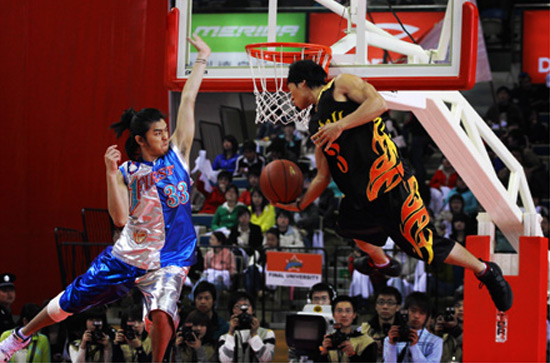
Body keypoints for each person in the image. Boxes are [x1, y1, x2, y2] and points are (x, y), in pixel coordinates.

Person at [0, 35, 212, 363]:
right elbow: (118, 219)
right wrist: (110, 173)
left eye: (164, 129)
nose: (164, 135)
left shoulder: (179, 154)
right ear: (141, 140)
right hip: (128, 256)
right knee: (70, 301)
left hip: (171, 258)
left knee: (163, 312)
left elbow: (188, 99)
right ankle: (19, 337)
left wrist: (202, 58)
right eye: (157, 132)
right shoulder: (127, 172)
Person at [277, 59, 512, 313]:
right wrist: (300, 204)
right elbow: (323, 175)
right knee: (349, 228)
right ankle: (382, 262)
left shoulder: (340, 85)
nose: (290, 98)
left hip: (390, 182)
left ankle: (485, 270)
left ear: (302, 82)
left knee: (426, 248)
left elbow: (378, 103)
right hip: (359, 195)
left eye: (290, 90)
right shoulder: (314, 123)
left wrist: (341, 125)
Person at [384, 292, 442, 362]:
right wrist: (391, 345)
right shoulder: (391, 338)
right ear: (405, 311)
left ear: (427, 316)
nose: (416, 316)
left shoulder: (435, 341)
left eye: (422, 313)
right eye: (413, 311)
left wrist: (414, 347)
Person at [218, 291, 275, 363]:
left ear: (253, 309)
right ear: (233, 311)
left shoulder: (267, 334)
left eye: (246, 305)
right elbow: (225, 361)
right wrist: (231, 333)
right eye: (238, 306)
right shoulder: (224, 337)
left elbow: (266, 359)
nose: (243, 310)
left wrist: (254, 334)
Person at [319, 296, 377, 362]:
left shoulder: (367, 342)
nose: (344, 315)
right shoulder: (326, 340)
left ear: (354, 315)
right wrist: (323, 354)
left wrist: (353, 354)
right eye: (339, 311)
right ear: (333, 315)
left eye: (348, 311)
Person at [365, 286, 403, 361]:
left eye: (390, 303)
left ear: (398, 307)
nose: (385, 307)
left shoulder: (403, 330)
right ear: (376, 306)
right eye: (381, 302)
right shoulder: (365, 330)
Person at [434, 294, 463, 363]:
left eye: (466, 305)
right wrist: (436, 335)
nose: (461, 309)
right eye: (457, 306)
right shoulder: (446, 331)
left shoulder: (475, 334)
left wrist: (456, 330)